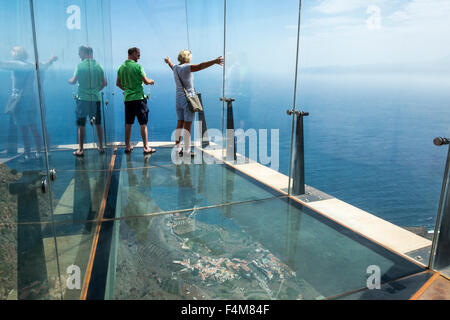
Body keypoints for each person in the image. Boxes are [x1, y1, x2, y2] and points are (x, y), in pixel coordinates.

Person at [0, 46, 57, 160]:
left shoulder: (16, 65)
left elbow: (3, 64)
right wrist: (50, 60)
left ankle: (27, 154)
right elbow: (43, 66)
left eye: (13, 52)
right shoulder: (30, 65)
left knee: (23, 129)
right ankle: (39, 152)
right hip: (30, 99)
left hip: (19, 100)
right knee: (33, 126)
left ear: (16, 54)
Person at [164, 51, 224, 157]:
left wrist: (169, 61)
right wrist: (214, 61)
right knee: (188, 126)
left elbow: (172, 66)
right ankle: (187, 151)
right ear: (188, 58)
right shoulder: (187, 67)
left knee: (180, 124)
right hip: (188, 100)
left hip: (178, 99)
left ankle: (178, 148)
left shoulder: (176, 68)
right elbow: (201, 66)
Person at [69, 46, 107, 156]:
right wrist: (95, 90)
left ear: (84, 53)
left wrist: (68, 80)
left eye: (79, 53)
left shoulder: (80, 66)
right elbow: (104, 83)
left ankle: (80, 149)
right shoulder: (99, 66)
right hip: (95, 99)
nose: (78, 55)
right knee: (98, 123)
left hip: (82, 99)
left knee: (81, 124)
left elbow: (73, 81)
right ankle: (100, 146)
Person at [116, 47, 155, 154]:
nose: (139, 57)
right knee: (143, 123)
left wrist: (127, 90)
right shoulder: (138, 67)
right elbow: (146, 81)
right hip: (139, 99)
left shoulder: (121, 68)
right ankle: (146, 147)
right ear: (132, 53)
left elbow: (118, 83)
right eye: (138, 55)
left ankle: (128, 146)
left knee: (128, 123)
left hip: (128, 99)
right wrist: (152, 81)